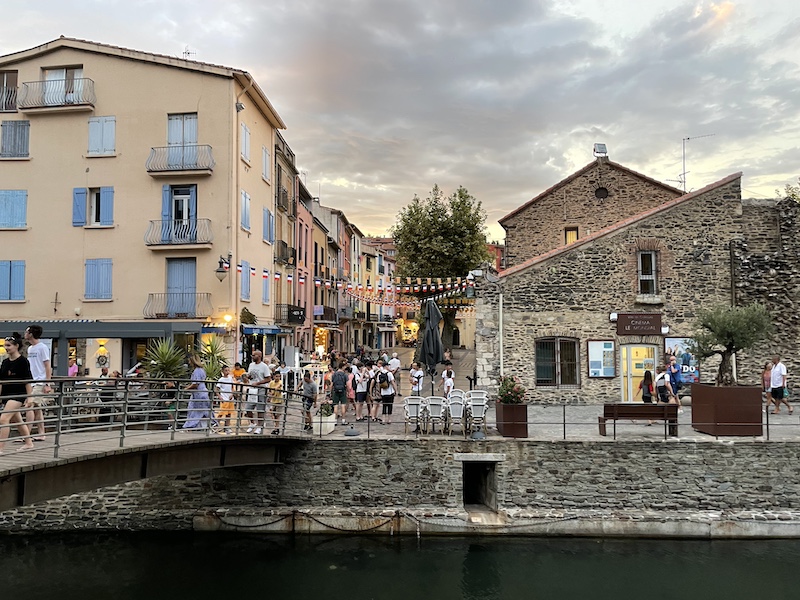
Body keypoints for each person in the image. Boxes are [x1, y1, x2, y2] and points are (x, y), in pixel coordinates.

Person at [0, 333, 36, 453]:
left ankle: (0, 447)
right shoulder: (5, 362)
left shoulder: (23, 361)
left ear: (16, 346)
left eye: (9, 345)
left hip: (17, 394)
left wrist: (29, 398)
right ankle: (29, 442)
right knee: (17, 420)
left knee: (4, 419)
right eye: (5, 345)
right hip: (6, 394)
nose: (6, 347)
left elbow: (27, 381)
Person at [23, 324, 51, 442]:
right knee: (36, 408)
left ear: (31, 334)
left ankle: (26, 434)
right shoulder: (30, 348)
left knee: (29, 405)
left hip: (39, 381)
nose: (25, 333)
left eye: (26, 332)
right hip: (32, 381)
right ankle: (41, 433)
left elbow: (47, 365)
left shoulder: (42, 347)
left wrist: (47, 383)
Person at [182, 354, 212, 430]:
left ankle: (191, 426)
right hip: (202, 393)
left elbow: (195, 384)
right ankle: (203, 425)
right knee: (203, 410)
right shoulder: (201, 370)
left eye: (189, 361)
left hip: (199, 394)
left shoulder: (197, 371)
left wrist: (187, 388)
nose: (189, 362)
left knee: (194, 410)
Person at [246, 350, 271, 434]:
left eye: (254, 355)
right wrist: (248, 377)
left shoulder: (264, 366)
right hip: (252, 389)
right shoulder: (251, 365)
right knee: (248, 408)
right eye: (252, 355)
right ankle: (252, 423)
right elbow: (250, 375)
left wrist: (258, 383)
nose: (252, 357)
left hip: (261, 389)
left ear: (259, 356)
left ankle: (259, 426)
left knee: (260, 409)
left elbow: (268, 378)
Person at [215, 365, 236, 434]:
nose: (227, 372)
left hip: (230, 398)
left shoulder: (230, 378)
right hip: (224, 398)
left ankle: (227, 426)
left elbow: (233, 387)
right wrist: (219, 396)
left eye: (228, 370)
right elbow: (217, 389)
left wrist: (232, 394)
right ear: (223, 371)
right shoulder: (221, 380)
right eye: (225, 370)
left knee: (229, 414)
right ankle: (215, 425)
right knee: (221, 413)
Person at [377, 359, 396, 424]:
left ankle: (383, 419)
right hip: (390, 392)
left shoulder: (379, 374)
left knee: (384, 405)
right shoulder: (389, 374)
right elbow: (393, 382)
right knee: (390, 405)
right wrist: (396, 390)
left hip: (383, 392)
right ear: (386, 366)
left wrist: (379, 391)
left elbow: (379, 384)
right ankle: (389, 419)